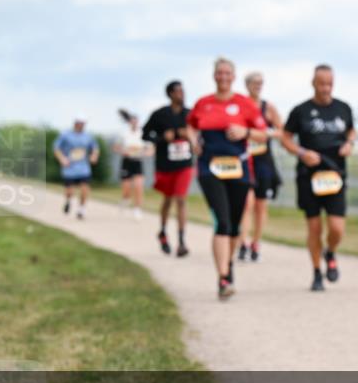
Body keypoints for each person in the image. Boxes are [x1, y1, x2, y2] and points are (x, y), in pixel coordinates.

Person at [187, 58, 268, 300]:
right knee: (221, 221)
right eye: (219, 72)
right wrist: (193, 142)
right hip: (209, 168)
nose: (223, 77)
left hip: (238, 169)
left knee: (234, 225)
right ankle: (223, 277)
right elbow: (190, 125)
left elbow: (264, 134)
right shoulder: (203, 103)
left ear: (233, 77)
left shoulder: (244, 104)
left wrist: (246, 132)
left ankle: (228, 263)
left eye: (227, 73)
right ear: (214, 76)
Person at [280, 64, 356, 291]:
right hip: (309, 176)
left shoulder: (343, 108)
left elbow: (352, 130)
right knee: (314, 228)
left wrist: (349, 143)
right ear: (313, 83)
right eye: (322, 84)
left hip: (335, 175)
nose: (326, 88)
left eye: (329, 84)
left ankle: (330, 252)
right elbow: (285, 137)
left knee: (336, 228)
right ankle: (316, 273)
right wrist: (302, 153)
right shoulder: (300, 111)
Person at [143, 80, 194, 256]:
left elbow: (199, 133)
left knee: (180, 199)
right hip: (165, 165)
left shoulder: (190, 114)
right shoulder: (159, 115)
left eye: (183, 90)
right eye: (178, 91)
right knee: (168, 199)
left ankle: (181, 241)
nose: (182, 94)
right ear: (171, 94)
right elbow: (145, 134)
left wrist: (189, 136)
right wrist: (162, 137)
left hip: (185, 164)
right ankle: (163, 232)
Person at [237, 71, 283, 262]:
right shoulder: (240, 105)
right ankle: (242, 243)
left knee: (260, 205)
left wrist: (264, 133)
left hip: (263, 161)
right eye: (254, 83)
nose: (258, 86)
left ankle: (256, 243)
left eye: (260, 83)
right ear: (247, 85)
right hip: (245, 159)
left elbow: (281, 131)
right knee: (246, 204)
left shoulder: (268, 107)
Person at [53, 118, 100, 220]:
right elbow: (56, 148)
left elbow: (95, 148)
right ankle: (68, 201)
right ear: (75, 124)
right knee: (70, 191)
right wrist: (62, 159)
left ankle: (81, 210)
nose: (81, 125)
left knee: (84, 189)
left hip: (83, 168)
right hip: (70, 168)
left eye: (83, 124)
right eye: (80, 123)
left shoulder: (88, 136)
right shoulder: (65, 135)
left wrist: (94, 156)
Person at [114, 109, 153, 220]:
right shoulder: (124, 134)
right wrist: (123, 151)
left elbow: (150, 148)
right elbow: (116, 147)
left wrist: (146, 153)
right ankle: (125, 199)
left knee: (138, 186)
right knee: (126, 189)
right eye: (132, 121)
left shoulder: (142, 133)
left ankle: (137, 209)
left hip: (138, 162)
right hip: (127, 161)